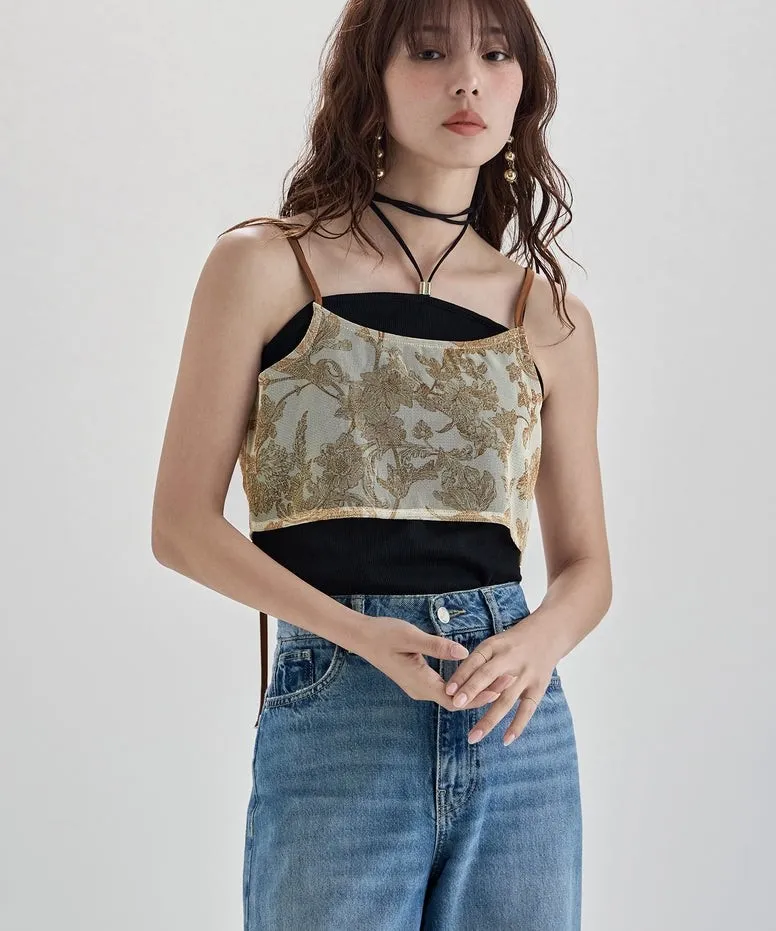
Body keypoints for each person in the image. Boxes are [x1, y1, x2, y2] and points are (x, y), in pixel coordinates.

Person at [152, 1, 612, 928]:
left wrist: (539, 640)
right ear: (372, 79)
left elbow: (587, 568)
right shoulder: (268, 265)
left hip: (515, 724)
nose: (468, 79)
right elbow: (180, 527)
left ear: (524, 88)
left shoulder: (547, 315)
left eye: (496, 55)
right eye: (430, 52)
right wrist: (356, 635)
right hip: (341, 700)